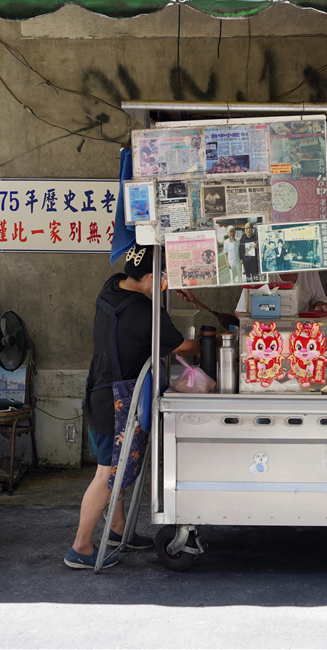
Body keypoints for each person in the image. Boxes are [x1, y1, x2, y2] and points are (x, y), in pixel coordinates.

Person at [67, 244, 199, 569]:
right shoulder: (145, 311)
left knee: (119, 467)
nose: (166, 285)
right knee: (107, 473)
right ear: (152, 276)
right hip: (114, 399)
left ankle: (117, 527)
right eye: (165, 278)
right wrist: (217, 336)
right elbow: (183, 346)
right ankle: (80, 547)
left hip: (99, 387)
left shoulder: (112, 286)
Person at [234, 270, 327, 318]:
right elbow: (240, 312)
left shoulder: (310, 272)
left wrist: (320, 307)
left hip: (300, 334)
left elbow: (318, 300)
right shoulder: (261, 273)